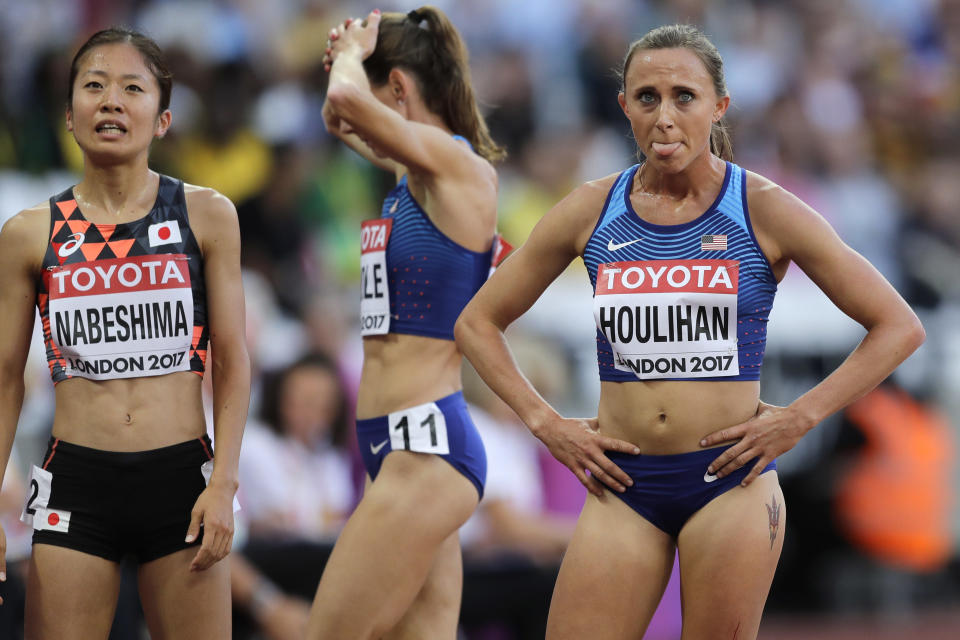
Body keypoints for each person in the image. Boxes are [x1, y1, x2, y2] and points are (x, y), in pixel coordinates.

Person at [455, 24, 925, 640]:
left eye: (685, 96)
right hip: (623, 487)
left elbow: (898, 326)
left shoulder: (764, 207)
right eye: (647, 97)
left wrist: (800, 417)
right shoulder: (591, 209)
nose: (665, 116)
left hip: (729, 484)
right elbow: (477, 322)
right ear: (624, 107)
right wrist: (547, 424)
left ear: (719, 107)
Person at [0, 28, 250, 639]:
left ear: (162, 120)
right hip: (75, 485)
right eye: (94, 86)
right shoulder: (29, 233)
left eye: (131, 88)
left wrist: (223, 484)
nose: (111, 101)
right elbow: (5, 376)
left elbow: (235, 361)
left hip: (183, 483)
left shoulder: (208, 213)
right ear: (68, 114)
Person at [306, 7, 506, 640]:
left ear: (396, 88)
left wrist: (348, 62)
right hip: (394, 449)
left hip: (426, 448)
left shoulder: (461, 170)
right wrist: (346, 56)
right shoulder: (412, 176)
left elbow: (344, 96)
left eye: (374, 87)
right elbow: (337, 115)